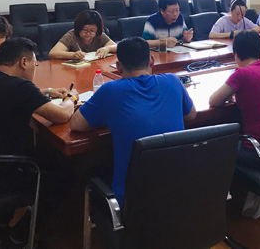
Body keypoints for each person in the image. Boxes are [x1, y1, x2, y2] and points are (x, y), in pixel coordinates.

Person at [0, 38, 76, 248]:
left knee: (37, 151)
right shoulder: (20, 87)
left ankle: (0, 224)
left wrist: (46, 93)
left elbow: (11, 96)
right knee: (62, 178)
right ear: (23, 62)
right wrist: (71, 98)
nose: (35, 69)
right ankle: (18, 238)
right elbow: (62, 115)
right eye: (35, 64)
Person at [70, 37, 196, 207]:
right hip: (179, 192)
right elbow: (191, 115)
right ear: (152, 61)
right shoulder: (173, 81)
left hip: (134, 201)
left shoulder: (110, 91)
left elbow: (76, 125)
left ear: (119, 66)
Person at [209, 31, 260, 219]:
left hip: (255, 150)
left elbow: (214, 101)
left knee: (214, 148)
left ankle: (217, 207)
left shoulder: (241, 74)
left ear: (236, 54)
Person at [48, 10, 117, 60]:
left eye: (92, 30)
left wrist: (108, 48)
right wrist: (73, 55)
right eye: (85, 30)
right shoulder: (71, 35)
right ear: (78, 27)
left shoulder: (99, 35)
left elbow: (117, 46)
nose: (88, 33)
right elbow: (53, 53)